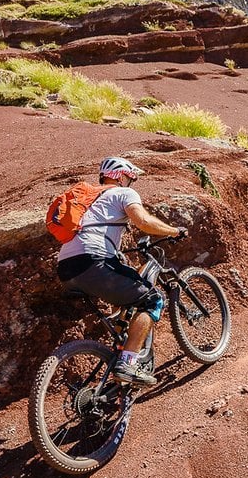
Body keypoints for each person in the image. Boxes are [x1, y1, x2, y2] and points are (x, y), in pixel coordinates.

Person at [56, 157, 186, 387]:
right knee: (153, 301)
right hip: (92, 260)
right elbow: (143, 221)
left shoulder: (91, 200)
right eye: (130, 178)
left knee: (125, 292)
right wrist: (174, 231)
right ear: (121, 176)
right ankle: (127, 363)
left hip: (66, 267)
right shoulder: (123, 194)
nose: (131, 183)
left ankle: (119, 350)